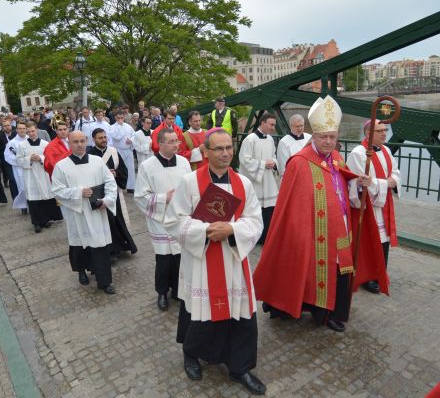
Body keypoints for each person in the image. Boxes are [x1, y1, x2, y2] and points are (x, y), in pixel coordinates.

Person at [254, 95, 388, 333]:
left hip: (340, 226)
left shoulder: (336, 157)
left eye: (332, 137)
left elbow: (345, 188)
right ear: (312, 137)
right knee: (306, 270)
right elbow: (290, 206)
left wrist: (359, 183)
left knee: (340, 271)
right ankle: (307, 309)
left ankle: (332, 313)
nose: (328, 141)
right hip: (312, 231)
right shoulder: (299, 163)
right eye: (323, 137)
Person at [164, 129, 266, 395]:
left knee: (242, 316)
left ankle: (240, 367)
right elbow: (175, 221)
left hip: (233, 260)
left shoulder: (243, 183)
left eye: (228, 148)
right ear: (205, 152)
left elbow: (256, 220)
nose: (225, 153)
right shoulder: (189, 182)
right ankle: (191, 353)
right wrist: (207, 232)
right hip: (201, 262)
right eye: (218, 149)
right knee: (199, 316)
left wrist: (232, 231)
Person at [51, 131, 118, 295]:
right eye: (75, 142)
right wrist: (78, 192)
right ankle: (81, 271)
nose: (79, 145)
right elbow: (57, 191)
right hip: (77, 212)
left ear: (86, 141)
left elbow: (110, 182)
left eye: (82, 141)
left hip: (97, 211)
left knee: (99, 245)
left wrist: (107, 200)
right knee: (79, 244)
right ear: (69, 143)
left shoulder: (97, 162)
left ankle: (105, 281)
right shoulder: (62, 166)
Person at [134, 128, 191, 311]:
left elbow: (191, 187)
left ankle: (178, 290)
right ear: (161, 143)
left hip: (181, 217)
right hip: (161, 219)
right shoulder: (147, 166)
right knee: (164, 258)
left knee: (181, 257)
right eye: (172, 141)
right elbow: (140, 196)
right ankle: (162, 292)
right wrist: (162, 198)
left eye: (177, 141)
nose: (177, 144)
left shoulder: (183, 162)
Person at [346, 119, 401, 294]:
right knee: (370, 241)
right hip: (369, 206)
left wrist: (392, 181)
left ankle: (380, 273)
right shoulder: (358, 153)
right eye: (380, 131)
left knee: (383, 241)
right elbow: (357, 181)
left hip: (384, 203)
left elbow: (395, 172)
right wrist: (383, 183)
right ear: (368, 134)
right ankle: (367, 277)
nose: (385, 133)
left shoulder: (385, 150)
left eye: (385, 130)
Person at [88, 128, 137, 258]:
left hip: (114, 192)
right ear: (94, 139)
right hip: (99, 193)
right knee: (105, 221)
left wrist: (116, 174)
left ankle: (122, 246)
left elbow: (123, 170)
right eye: (100, 138)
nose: (103, 140)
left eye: (104, 137)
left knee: (116, 219)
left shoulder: (113, 152)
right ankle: (110, 250)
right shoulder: (90, 155)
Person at [238, 113, 279, 244]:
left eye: (274, 125)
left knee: (269, 209)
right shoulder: (250, 139)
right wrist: (263, 164)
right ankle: (256, 237)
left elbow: (273, 155)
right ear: (262, 123)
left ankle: (267, 236)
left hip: (268, 181)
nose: (273, 128)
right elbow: (244, 160)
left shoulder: (270, 139)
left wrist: (274, 163)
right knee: (256, 209)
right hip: (255, 182)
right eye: (271, 124)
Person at [16, 125, 63, 232]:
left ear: (36, 130)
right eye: (29, 131)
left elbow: (51, 158)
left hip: (43, 174)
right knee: (34, 200)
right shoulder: (22, 145)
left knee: (45, 197)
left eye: (33, 131)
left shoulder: (45, 144)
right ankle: (37, 223)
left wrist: (41, 158)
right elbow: (18, 160)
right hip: (30, 176)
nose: (31, 133)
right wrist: (30, 159)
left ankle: (46, 220)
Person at [108, 111, 136, 191]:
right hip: (118, 150)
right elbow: (116, 137)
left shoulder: (128, 126)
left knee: (130, 169)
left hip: (128, 150)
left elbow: (134, 135)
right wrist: (119, 126)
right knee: (120, 169)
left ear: (124, 117)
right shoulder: (112, 127)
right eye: (118, 118)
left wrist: (131, 140)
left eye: (122, 118)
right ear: (115, 118)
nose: (120, 119)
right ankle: (121, 185)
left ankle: (130, 187)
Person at [4, 121, 29, 214]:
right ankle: (24, 205)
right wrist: (20, 161)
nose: (22, 130)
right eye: (20, 128)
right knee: (22, 187)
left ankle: (33, 204)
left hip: (31, 168)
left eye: (24, 128)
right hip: (19, 169)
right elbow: (7, 156)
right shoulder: (12, 143)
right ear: (17, 130)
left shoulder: (30, 140)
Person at [0, 119, 18, 198]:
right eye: (5, 126)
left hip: (17, 160)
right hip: (7, 162)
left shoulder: (16, 134)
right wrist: (6, 146)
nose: (7, 127)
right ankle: (15, 198)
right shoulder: (0, 136)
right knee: (12, 180)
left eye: (8, 125)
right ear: (2, 128)